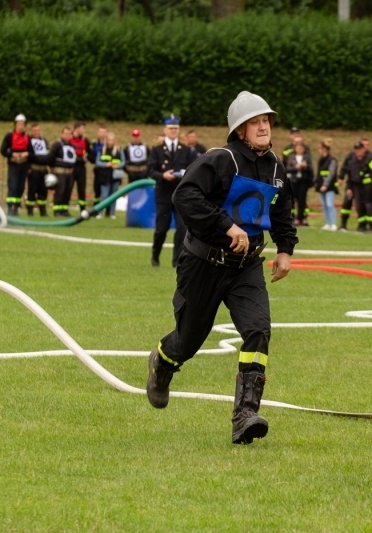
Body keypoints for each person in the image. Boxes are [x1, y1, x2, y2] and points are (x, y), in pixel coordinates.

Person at [146, 91, 298, 446]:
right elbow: (185, 196)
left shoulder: (276, 167)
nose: (264, 127)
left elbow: (281, 211)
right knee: (188, 340)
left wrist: (286, 250)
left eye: (267, 121)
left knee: (258, 331)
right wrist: (226, 226)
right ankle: (164, 362)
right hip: (203, 264)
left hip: (246, 268)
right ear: (240, 129)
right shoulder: (220, 160)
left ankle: (245, 416)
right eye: (256, 122)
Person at [147, 115, 197, 267]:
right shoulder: (156, 150)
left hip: (181, 195)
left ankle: (177, 261)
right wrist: (162, 175)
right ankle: (155, 256)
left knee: (182, 229)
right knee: (161, 229)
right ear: (165, 130)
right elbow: (150, 170)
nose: (173, 131)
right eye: (170, 128)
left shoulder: (187, 150)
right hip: (163, 195)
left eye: (176, 128)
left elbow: (193, 169)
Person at [338, 140, 372, 232]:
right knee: (347, 203)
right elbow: (347, 169)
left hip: (367, 186)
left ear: (364, 149)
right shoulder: (351, 157)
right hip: (353, 185)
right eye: (356, 150)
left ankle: (368, 226)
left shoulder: (371, 158)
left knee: (365, 206)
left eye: (360, 149)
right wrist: (344, 181)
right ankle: (343, 224)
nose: (358, 152)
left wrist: (371, 188)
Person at [0, 114, 30, 216]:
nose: (20, 126)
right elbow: (3, 150)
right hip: (13, 164)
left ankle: (16, 207)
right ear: (15, 124)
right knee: (13, 186)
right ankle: (10, 208)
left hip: (23, 165)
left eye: (22, 124)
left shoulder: (27, 137)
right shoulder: (9, 136)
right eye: (19, 124)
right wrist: (12, 154)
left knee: (20, 188)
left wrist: (27, 153)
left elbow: (31, 152)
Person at [95, 132, 126, 219]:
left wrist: (117, 165)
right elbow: (97, 162)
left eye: (112, 140)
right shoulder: (102, 150)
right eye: (109, 140)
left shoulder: (119, 150)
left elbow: (123, 162)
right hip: (104, 175)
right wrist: (105, 165)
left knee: (113, 195)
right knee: (104, 195)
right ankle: (100, 212)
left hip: (115, 176)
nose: (110, 142)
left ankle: (112, 213)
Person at [26, 123, 52, 217]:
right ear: (31, 131)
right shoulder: (28, 140)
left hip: (43, 170)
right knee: (32, 191)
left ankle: (43, 211)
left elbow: (49, 153)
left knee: (43, 191)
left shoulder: (44, 140)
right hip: (34, 169)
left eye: (38, 130)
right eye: (34, 130)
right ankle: (30, 211)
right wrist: (28, 168)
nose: (37, 132)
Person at [285, 141, 313, 226]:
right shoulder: (291, 157)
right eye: (298, 148)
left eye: (301, 148)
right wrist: (295, 167)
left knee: (302, 200)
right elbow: (287, 168)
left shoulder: (307, 157)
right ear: (295, 149)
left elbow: (311, 169)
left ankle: (301, 218)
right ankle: (292, 218)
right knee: (292, 200)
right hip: (293, 181)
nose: (300, 150)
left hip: (303, 181)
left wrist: (306, 166)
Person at [49, 126, 76, 216]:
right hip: (60, 172)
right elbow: (51, 157)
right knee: (60, 191)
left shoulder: (71, 145)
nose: (67, 136)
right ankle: (57, 210)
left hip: (69, 172)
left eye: (69, 134)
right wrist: (52, 169)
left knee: (67, 192)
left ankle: (64, 210)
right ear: (62, 134)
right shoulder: (57, 144)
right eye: (66, 133)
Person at [315, 138, 338, 231]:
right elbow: (319, 173)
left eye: (320, 148)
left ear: (325, 149)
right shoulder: (321, 160)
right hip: (321, 186)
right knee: (324, 205)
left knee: (330, 204)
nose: (319, 150)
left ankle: (333, 224)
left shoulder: (332, 160)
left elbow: (331, 174)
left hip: (330, 187)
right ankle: (328, 223)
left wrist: (326, 185)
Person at [70, 121, 91, 213]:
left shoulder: (85, 140)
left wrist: (87, 157)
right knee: (68, 187)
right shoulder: (69, 138)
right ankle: (64, 209)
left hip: (81, 168)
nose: (83, 130)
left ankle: (82, 209)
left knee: (81, 189)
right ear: (77, 128)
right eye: (82, 128)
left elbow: (91, 153)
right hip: (71, 167)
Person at [90, 125, 109, 207]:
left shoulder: (110, 144)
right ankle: (96, 207)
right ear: (98, 133)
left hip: (108, 170)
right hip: (98, 170)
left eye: (104, 132)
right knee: (97, 190)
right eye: (101, 132)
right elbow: (90, 156)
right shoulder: (94, 144)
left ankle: (108, 210)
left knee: (107, 190)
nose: (102, 134)